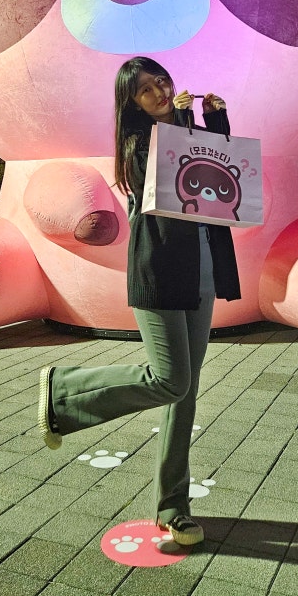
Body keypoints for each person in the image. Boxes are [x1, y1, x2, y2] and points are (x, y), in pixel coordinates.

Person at [38, 56, 241, 547]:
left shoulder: (181, 128)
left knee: (184, 392)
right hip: (159, 273)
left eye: (161, 82)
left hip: (201, 272)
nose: (159, 92)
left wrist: (216, 123)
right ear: (131, 103)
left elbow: (218, 184)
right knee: (170, 380)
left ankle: (173, 507)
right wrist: (182, 124)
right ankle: (64, 391)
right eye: (146, 90)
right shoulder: (137, 145)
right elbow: (170, 179)